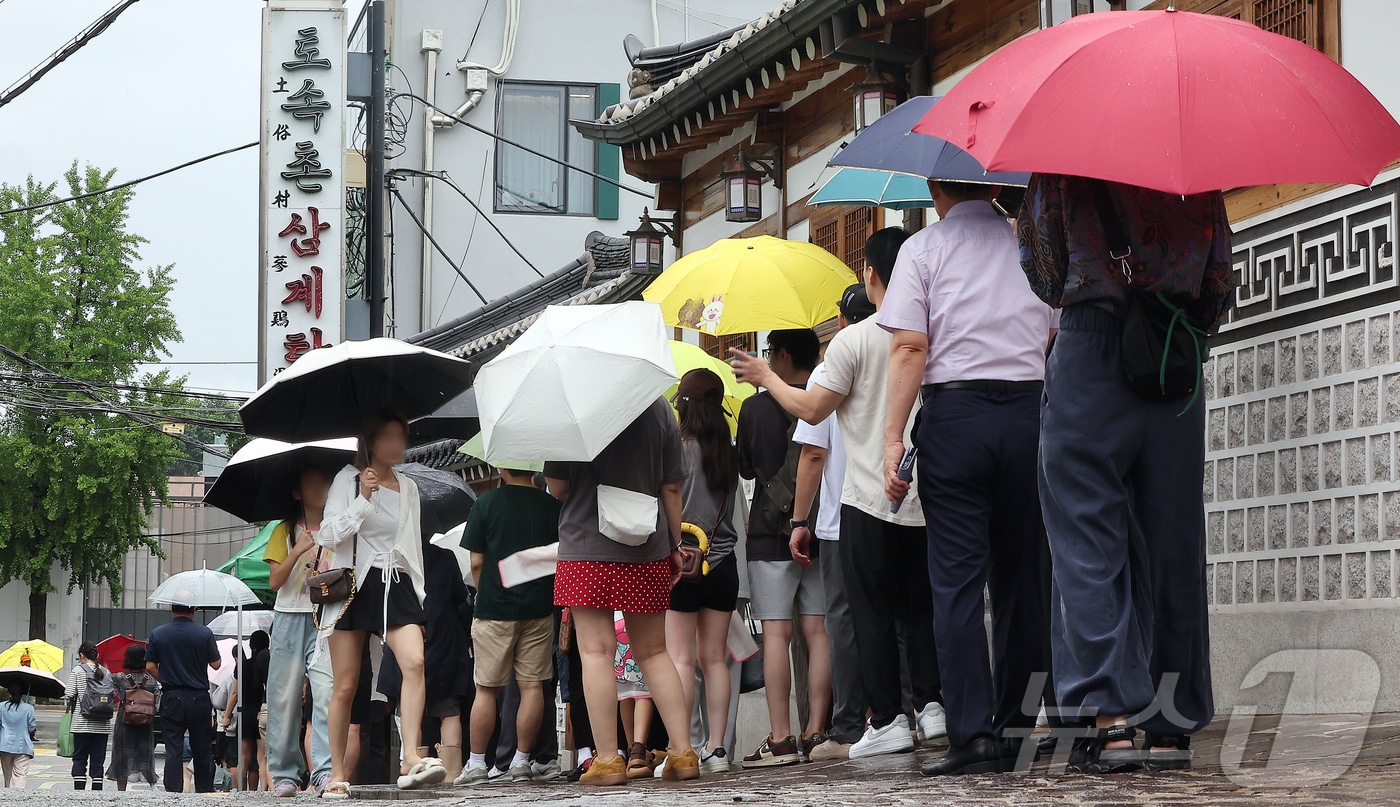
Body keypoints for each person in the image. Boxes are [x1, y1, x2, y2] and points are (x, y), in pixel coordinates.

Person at [1017, 173, 1233, 772]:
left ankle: (1108, 724)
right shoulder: (1196, 172)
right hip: (1171, 354)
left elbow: (1042, 272)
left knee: (1086, 541)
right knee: (1174, 542)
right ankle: (1172, 725)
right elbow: (1219, 282)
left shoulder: (1062, 167)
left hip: (1089, 350)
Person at [731, 230, 945, 762]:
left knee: (869, 611)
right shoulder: (934, 330)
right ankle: (934, 707)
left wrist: (763, 376)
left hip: (868, 500)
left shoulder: (855, 340)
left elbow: (810, 411)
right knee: (922, 606)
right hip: (926, 493)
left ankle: (889, 720)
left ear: (871, 275)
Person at [879, 182, 1057, 776]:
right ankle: (1015, 726)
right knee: (1022, 579)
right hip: (1030, 414)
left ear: (935, 188)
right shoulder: (1029, 244)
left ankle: (972, 734)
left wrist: (892, 438)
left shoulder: (923, 249)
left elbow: (909, 345)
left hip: (955, 417)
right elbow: (1054, 330)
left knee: (955, 582)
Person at [545, 398, 701, 786]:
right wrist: (673, 544)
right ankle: (683, 753)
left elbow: (559, 486)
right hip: (646, 546)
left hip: (585, 546)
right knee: (654, 651)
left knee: (596, 651)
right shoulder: (659, 407)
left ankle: (609, 760)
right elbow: (670, 487)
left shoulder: (573, 405)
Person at [317, 409, 442, 797]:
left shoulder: (409, 486)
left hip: (396, 582)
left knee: (416, 663)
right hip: (353, 583)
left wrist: (418, 599)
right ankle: (336, 774)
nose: (397, 445)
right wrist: (363, 499)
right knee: (347, 685)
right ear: (370, 441)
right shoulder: (347, 479)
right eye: (388, 437)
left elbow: (412, 550)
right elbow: (328, 534)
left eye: (400, 437)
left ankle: (410, 757)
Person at [734, 328, 832, 767]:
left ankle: (780, 739)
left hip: (770, 535)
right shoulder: (826, 396)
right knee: (819, 630)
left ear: (786, 354)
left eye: (771, 351)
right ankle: (817, 732)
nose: (767, 359)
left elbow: (748, 470)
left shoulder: (754, 408)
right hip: (817, 527)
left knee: (776, 632)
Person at [789, 285, 874, 761]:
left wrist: (800, 519)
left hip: (841, 515)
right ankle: (902, 713)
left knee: (841, 617)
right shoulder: (898, 349)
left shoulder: (829, 367)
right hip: (894, 508)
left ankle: (847, 727)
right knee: (893, 613)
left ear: (841, 324)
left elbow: (814, 452)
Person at [457, 462, 560, 786]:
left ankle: (476, 765)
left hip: (494, 609)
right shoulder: (552, 506)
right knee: (532, 687)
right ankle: (522, 761)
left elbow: (476, 561)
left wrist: (486, 588)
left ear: (501, 464)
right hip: (539, 608)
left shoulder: (486, 503)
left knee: (486, 690)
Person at [665, 368, 741, 774]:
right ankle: (717, 749)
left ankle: (685, 747)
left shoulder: (677, 449)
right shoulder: (727, 452)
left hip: (682, 563)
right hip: (722, 564)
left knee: (680, 658)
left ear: (684, 405)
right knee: (714, 659)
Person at [264, 465, 336, 797]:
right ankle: (284, 774)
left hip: (327, 619)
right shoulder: (284, 530)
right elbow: (275, 582)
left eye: (323, 482)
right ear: (297, 492)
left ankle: (324, 771)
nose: (319, 489)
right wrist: (298, 549)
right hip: (289, 617)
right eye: (311, 484)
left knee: (325, 694)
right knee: (284, 698)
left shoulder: (338, 529)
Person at [147, 600, 221, 792]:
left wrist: (165, 678)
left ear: (172, 609)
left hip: (172, 695)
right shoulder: (204, 633)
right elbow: (216, 664)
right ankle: (204, 788)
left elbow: (149, 666)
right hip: (198, 696)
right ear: (195, 608)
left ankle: (173, 789)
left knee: (173, 746)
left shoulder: (158, 633)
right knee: (202, 746)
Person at [223, 630, 271, 791]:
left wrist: (227, 715)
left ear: (250, 645)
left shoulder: (242, 665)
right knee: (262, 757)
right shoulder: (268, 663)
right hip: (263, 709)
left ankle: (241, 789)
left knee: (243, 757)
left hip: (246, 713)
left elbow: (235, 693)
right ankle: (263, 789)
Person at [107, 644, 160, 790]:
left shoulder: (119, 677)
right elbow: (157, 699)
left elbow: (112, 688)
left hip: (126, 720)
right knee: (146, 753)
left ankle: (121, 790)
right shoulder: (151, 680)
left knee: (121, 755)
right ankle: (153, 786)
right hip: (146, 721)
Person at [63, 641, 113, 790]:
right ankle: (96, 794)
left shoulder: (78, 670)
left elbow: (70, 693)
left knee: (80, 759)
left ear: (81, 655)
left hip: (82, 724)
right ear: (97, 655)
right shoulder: (106, 671)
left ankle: (79, 793)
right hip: (102, 726)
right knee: (98, 762)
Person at [0, 682, 36, 789]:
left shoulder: (1, 707)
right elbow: (31, 727)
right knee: (20, 774)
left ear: (9, 693)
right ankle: (18, 798)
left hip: (4, 745)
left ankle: (8, 796)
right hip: (23, 746)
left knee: (7, 774)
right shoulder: (28, 708)